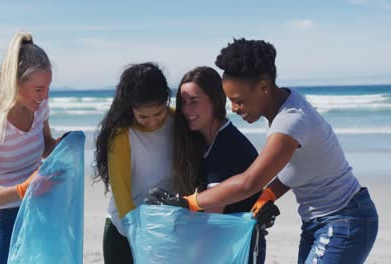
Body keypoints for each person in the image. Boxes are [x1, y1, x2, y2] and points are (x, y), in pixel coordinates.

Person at [148, 38, 378, 263]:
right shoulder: (286, 104)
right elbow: (301, 168)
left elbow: (249, 182)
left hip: (344, 219)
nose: (234, 109)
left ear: (263, 87)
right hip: (319, 220)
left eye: (238, 100)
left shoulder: (289, 123)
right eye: (230, 100)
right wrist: (269, 195)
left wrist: (189, 202)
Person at [0, 31, 57, 264]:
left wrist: (64, 146)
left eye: (47, 87)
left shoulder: (39, 107)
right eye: (39, 89)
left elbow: (46, 146)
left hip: (38, 205)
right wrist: (21, 190)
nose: (45, 96)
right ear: (15, 83)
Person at [172, 66, 267, 263]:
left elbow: (213, 217)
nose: (187, 110)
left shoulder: (226, 146)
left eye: (194, 102)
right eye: (183, 102)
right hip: (226, 244)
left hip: (239, 249)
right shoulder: (206, 141)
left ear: (215, 101)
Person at [93, 62, 174, 264]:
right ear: (131, 109)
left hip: (166, 229)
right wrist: (140, 236)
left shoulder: (178, 122)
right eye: (143, 116)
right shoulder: (122, 133)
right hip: (124, 232)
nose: (153, 121)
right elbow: (121, 193)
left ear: (167, 101)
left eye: (158, 113)